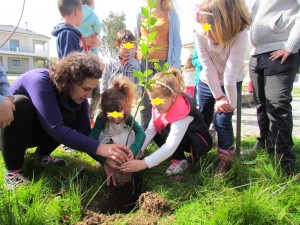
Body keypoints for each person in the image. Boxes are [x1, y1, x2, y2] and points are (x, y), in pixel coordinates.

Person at [0, 52, 131, 189]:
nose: (89, 95)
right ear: (70, 81)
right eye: (86, 89)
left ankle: (42, 156)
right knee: (21, 104)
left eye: (92, 90)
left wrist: (104, 161)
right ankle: (13, 172)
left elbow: (85, 133)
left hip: (33, 131)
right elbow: (55, 127)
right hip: (8, 133)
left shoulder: (77, 97)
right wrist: (103, 148)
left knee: (69, 116)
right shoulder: (40, 80)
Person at [119, 68, 212, 176]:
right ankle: (178, 157)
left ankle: (181, 160)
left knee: (168, 131)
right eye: (152, 101)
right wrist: (137, 150)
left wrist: (144, 163)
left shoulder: (182, 111)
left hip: (198, 142)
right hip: (181, 137)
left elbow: (170, 145)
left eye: (158, 101)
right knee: (158, 130)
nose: (154, 105)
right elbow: (149, 131)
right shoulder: (160, 106)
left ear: (172, 97)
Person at [194, 0, 251, 173]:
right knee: (202, 116)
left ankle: (224, 163)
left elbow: (230, 75)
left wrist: (228, 103)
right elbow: (207, 66)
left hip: (232, 82)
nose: (206, 33)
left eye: (209, 28)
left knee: (223, 121)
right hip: (207, 80)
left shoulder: (240, 35)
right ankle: (199, 153)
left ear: (223, 24)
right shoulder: (200, 32)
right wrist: (218, 96)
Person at [248, 0, 300, 176]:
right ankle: (266, 146)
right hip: (256, 54)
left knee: (277, 106)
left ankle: (285, 163)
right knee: (261, 104)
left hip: (280, 51)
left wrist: (291, 45)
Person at [89, 76, 146, 186]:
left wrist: (133, 151)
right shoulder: (101, 119)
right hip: (107, 145)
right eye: (111, 115)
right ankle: (114, 165)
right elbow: (91, 141)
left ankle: (128, 161)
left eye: (118, 114)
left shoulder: (127, 116)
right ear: (104, 111)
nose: (116, 119)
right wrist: (104, 160)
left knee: (129, 136)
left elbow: (140, 133)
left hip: (123, 143)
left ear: (125, 108)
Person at [134, 0, 182, 130]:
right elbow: (135, 37)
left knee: (163, 96)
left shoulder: (171, 13)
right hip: (143, 61)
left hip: (163, 62)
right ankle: (144, 131)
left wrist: (174, 66)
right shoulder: (141, 12)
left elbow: (177, 41)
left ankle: (164, 131)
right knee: (145, 98)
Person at [76, 0, 102, 126]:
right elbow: (98, 27)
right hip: (91, 59)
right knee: (95, 92)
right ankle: (90, 118)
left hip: (78, 61)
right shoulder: (90, 12)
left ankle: (81, 120)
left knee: (81, 92)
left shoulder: (74, 14)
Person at [100, 29, 141, 94]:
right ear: (117, 45)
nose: (127, 48)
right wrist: (102, 97)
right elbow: (105, 80)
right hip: (113, 97)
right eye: (125, 45)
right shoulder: (110, 62)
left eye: (130, 46)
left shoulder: (135, 64)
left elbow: (139, 83)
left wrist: (138, 99)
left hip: (129, 99)